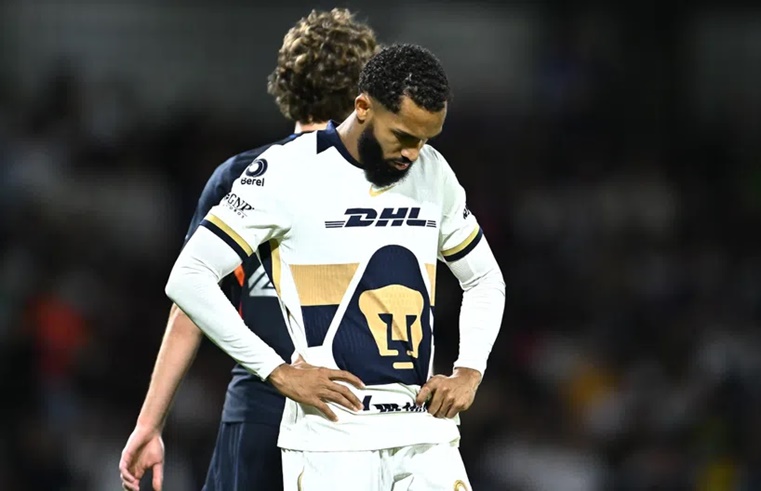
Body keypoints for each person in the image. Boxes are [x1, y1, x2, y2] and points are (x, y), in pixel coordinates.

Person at [165, 43, 506, 490]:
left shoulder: (433, 172)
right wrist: (276, 371)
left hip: (425, 435)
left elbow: (484, 278)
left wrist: (469, 370)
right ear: (363, 107)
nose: (413, 153)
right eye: (403, 136)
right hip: (331, 441)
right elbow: (189, 276)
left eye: (427, 139)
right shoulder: (286, 171)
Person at [119, 9, 379, 491]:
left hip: (257, 417)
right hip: (353, 420)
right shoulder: (387, 185)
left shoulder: (240, 175)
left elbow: (189, 306)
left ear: (286, 85)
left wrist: (149, 424)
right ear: (362, 96)